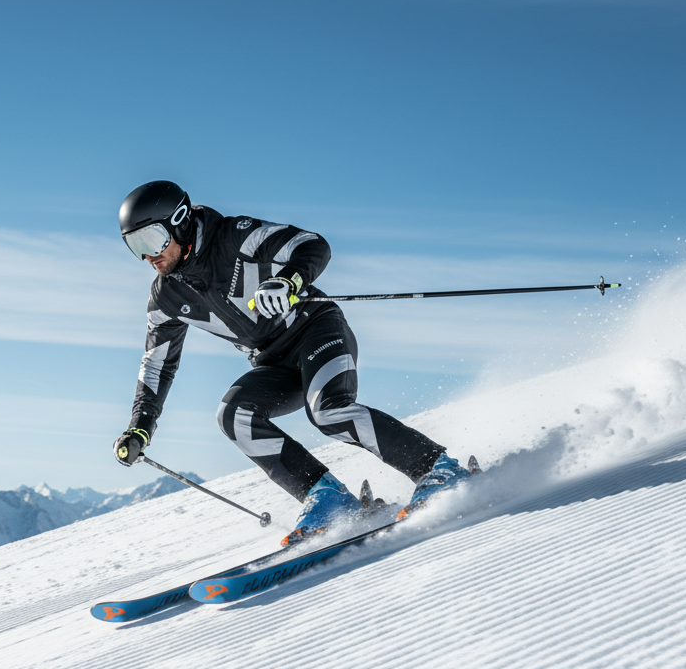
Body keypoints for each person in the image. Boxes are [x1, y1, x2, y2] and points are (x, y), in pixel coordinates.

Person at [113, 180, 470, 545]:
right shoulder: (165, 298)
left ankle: (438, 470)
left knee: (328, 411)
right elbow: (157, 365)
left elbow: (312, 245)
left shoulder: (234, 236)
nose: (147, 256)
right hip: (272, 362)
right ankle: (328, 499)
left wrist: (288, 280)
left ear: (181, 221)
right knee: (233, 415)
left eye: (152, 240)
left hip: (317, 329)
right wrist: (140, 426)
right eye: (134, 246)